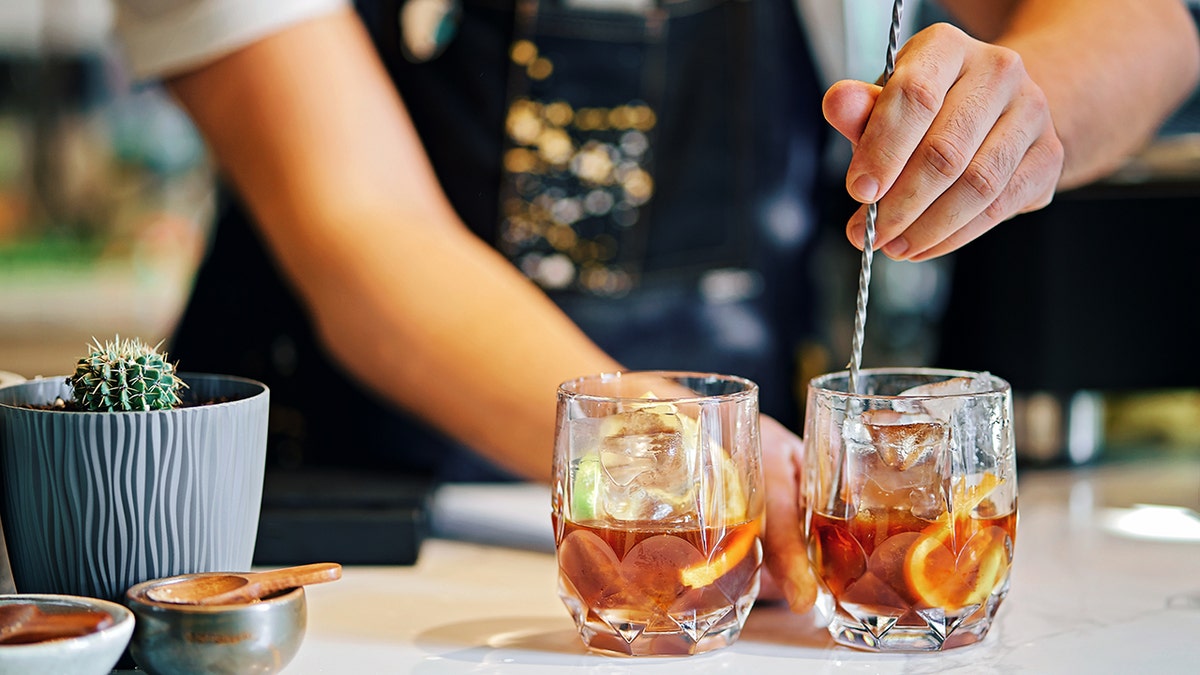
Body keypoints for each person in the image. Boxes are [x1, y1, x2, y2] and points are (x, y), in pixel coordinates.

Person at [109, 0, 1199, 614]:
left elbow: (1150, 23)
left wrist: (1027, 105)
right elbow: (362, 231)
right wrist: (679, 456)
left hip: (738, 558)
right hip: (337, 555)